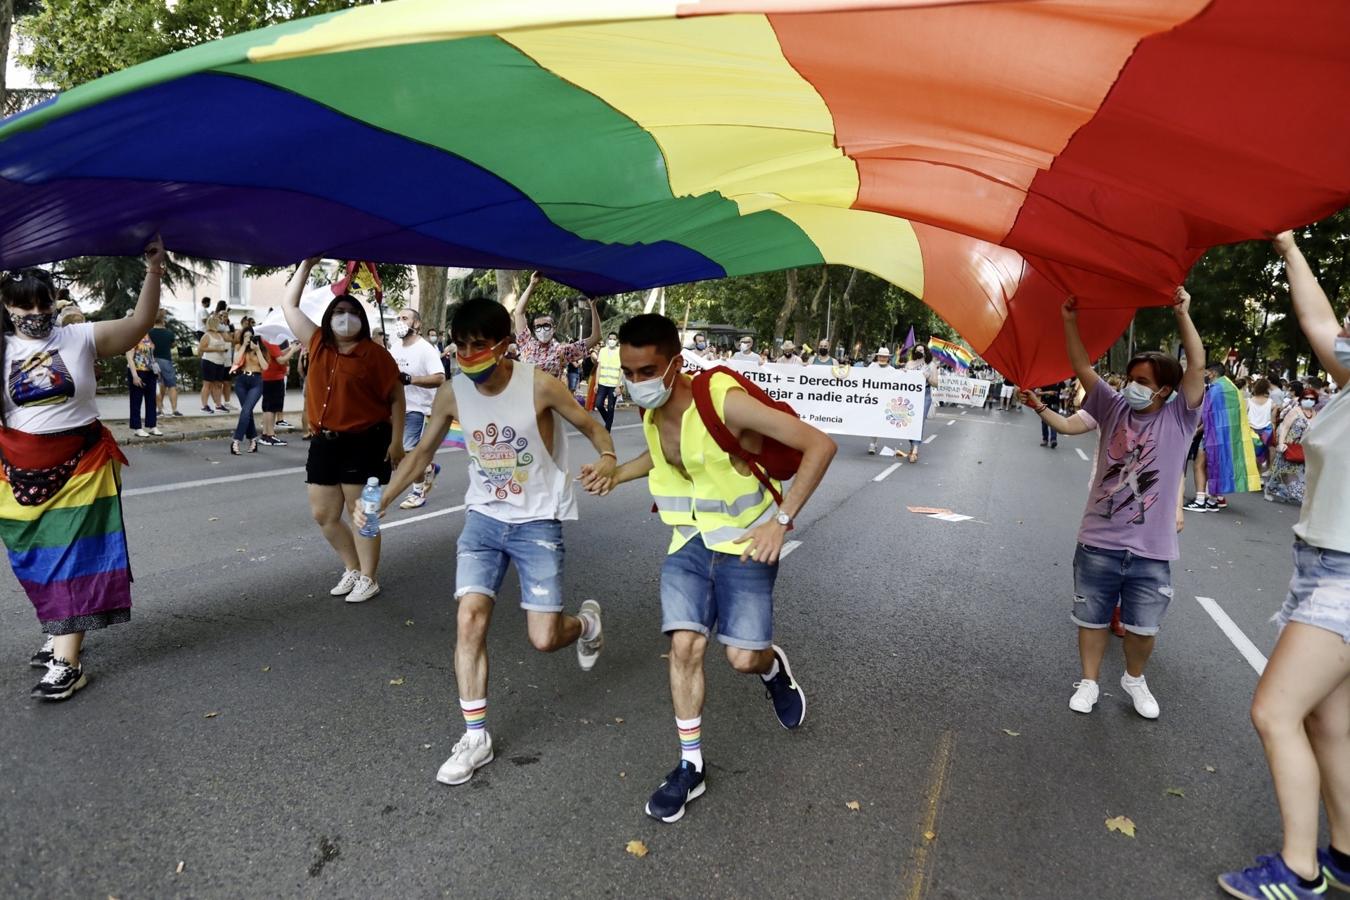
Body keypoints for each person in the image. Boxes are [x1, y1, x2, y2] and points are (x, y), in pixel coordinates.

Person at [588, 313, 836, 823]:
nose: (636, 383)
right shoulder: (654, 413)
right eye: (628, 372)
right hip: (688, 542)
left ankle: (771, 668)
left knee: (742, 659)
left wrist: (782, 521)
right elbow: (665, 459)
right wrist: (616, 473)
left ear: (676, 364)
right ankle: (690, 765)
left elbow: (820, 444)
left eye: (646, 370)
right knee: (685, 645)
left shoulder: (723, 400)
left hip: (746, 543)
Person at [359, 297, 616, 787]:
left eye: (480, 344)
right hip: (483, 518)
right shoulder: (453, 393)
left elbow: (590, 424)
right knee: (469, 618)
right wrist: (383, 500)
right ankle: (475, 736)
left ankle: (585, 623)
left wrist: (606, 455)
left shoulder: (540, 385)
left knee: (543, 639)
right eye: (461, 344)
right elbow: (420, 455)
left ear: (505, 345)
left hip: (538, 519)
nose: (469, 353)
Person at [1217, 231, 1350, 900]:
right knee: (1329, 721)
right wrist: (1291, 247)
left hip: (1347, 579)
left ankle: (1299, 870)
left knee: (1275, 711)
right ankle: (1348, 856)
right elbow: (1317, 320)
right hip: (1321, 567)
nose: (1344, 325)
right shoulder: (1349, 384)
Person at [1, 238, 165, 700]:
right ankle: (59, 630)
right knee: (35, 558)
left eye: (42, 302)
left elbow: (138, 323)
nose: (34, 312)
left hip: (82, 466)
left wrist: (153, 270)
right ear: (8, 306)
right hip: (16, 470)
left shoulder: (80, 336)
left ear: (54, 302)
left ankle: (67, 662)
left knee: (74, 557)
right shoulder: (1, 348)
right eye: (22, 304)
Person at [1058, 288, 1204, 720]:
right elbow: (1082, 367)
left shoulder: (1181, 416)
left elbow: (1196, 364)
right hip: (1098, 541)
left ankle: (1134, 678)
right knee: (1092, 619)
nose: (1131, 387)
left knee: (1143, 629)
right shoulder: (1111, 406)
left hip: (1151, 550)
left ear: (1164, 390)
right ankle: (1089, 682)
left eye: (1142, 382)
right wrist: (1069, 321)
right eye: (1130, 378)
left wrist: (1183, 315)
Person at [282, 257, 405, 605]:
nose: (345, 317)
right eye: (339, 311)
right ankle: (352, 567)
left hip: (365, 443)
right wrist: (306, 265)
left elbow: (397, 397)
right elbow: (289, 303)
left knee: (361, 514)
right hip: (324, 442)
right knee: (323, 514)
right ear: (329, 317)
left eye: (352, 311)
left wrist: (397, 442)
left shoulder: (374, 355)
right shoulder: (318, 343)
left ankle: (369, 577)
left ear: (362, 319)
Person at [389, 308, 446, 509]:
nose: (400, 321)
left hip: (418, 409)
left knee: (409, 452)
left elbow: (440, 378)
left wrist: (411, 379)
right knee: (401, 453)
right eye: (398, 318)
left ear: (417, 324)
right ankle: (428, 467)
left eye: (404, 318)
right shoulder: (394, 348)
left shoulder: (425, 349)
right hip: (396, 408)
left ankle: (418, 491)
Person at [511, 272, 601, 379]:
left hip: (548, 395)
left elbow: (596, 337)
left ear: (554, 328)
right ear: (534, 330)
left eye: (546, 325)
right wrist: (532, 285)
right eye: (538, 327)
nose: (542, 330)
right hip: (524, 393)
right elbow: (519, 313)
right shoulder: (526, 344)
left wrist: (593, 307)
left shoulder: (563, 351)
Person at [1265, 388, 1319, 505]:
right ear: (1301, 399)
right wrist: (1281, 443)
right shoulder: (1295, 411)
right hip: (1289, 447)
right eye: (1306, 398)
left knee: (1297, 472)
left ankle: (1279, 489)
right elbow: (1284, 427)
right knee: (1282, 470)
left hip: (1304, 449)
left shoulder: (1315, 414)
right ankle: (1271, 489)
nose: (1309, 401)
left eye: (1312, 399)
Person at [228, 325, 269, 455]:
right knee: (247, 411)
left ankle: (236, 441)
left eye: (249, 336)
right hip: (242, 381)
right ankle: (253, 441)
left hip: (256, 381)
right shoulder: (240, 348)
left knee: (246, 410)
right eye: (245, 336)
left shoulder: (261, 349)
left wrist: (256, 350)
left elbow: (265, 367)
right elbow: (235, 361)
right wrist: (244, 346)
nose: (247, 338)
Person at [257, 337, 300, 447]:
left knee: (268, 407)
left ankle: (266, 435)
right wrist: (292, 351)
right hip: (274, 377)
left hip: (269, 377)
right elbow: (281, 359)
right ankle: (270, 435)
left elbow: (277, 354)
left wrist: (289, 348)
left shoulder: (266, 341)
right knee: (272, 408)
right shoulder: (271, 342)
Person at [124, 325, 161, 438]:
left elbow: (151, 355)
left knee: (151, 400)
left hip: (150, 372)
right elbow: (129, 357)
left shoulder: (148, 336)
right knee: (136, 400)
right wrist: (135, 376)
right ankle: (137, 427)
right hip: (137, 371)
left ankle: (152, 425)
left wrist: (156, 370)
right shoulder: (132, 337)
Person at [904, 346, 938, 462]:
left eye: (921, 350)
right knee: (909, 422)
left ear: (925, 352)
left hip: (925, 395)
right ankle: (912, 446)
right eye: (917, 350)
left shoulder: (931, 365)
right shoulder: (909, 364)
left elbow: (935, 384)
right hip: (910, 396)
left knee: (919, 422)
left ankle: (915, 450)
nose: (919, 352)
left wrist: (928, 378)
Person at [148, 311, 182, 417]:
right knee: (172, 385)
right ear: (163, 320)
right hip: (166, 360)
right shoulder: (169, 333)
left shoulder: (149, 332)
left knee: (158, 385)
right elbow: (172, 345)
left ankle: (159, 410)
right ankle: (174, 410)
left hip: (153, 361)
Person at [197, 315, 231, 413]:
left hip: (220, 362)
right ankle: (204, 406)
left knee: (218, 384)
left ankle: (218, 405)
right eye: (218, 323)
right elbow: (201, 348)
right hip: (209, 361)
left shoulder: (219, 335)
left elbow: (228, 340)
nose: (220, 325)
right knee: (207, 384)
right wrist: (217, 349)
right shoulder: (206, 335)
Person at [866, 347, 893, 455]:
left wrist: (904, 373)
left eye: (885, 357)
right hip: (872, 398)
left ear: (888, 358)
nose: (882, 358)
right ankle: (873, 442)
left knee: (878, 421)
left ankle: (873, 442)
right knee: (872, 420)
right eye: (881, 356)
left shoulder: (892, 370)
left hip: (884, 400)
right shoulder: (871, 367)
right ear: (877, 357)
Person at [594, 331, 622, 432]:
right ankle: (608, 420)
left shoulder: (620, 352)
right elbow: (599, 367)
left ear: (617, 341)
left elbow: (621, 370)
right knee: (598, 404)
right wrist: (596, 383)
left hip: (614, 385)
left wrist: (618, 386)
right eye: (610, 339)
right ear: (607, 339)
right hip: (602, 383)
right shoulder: (603, 351)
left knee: (611, 408)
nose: (612, 341)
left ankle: (607, 430)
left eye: (614, 339)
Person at [1248, 377, 1276, 472]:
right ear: (1267, 389)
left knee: (1255, 452)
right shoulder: (1271, 402)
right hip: (1267, 430)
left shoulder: (1248, 401)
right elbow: (1273, 420)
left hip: (1251, 429)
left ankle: (1257, 472)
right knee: (1270, 449)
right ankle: (1269, 468)